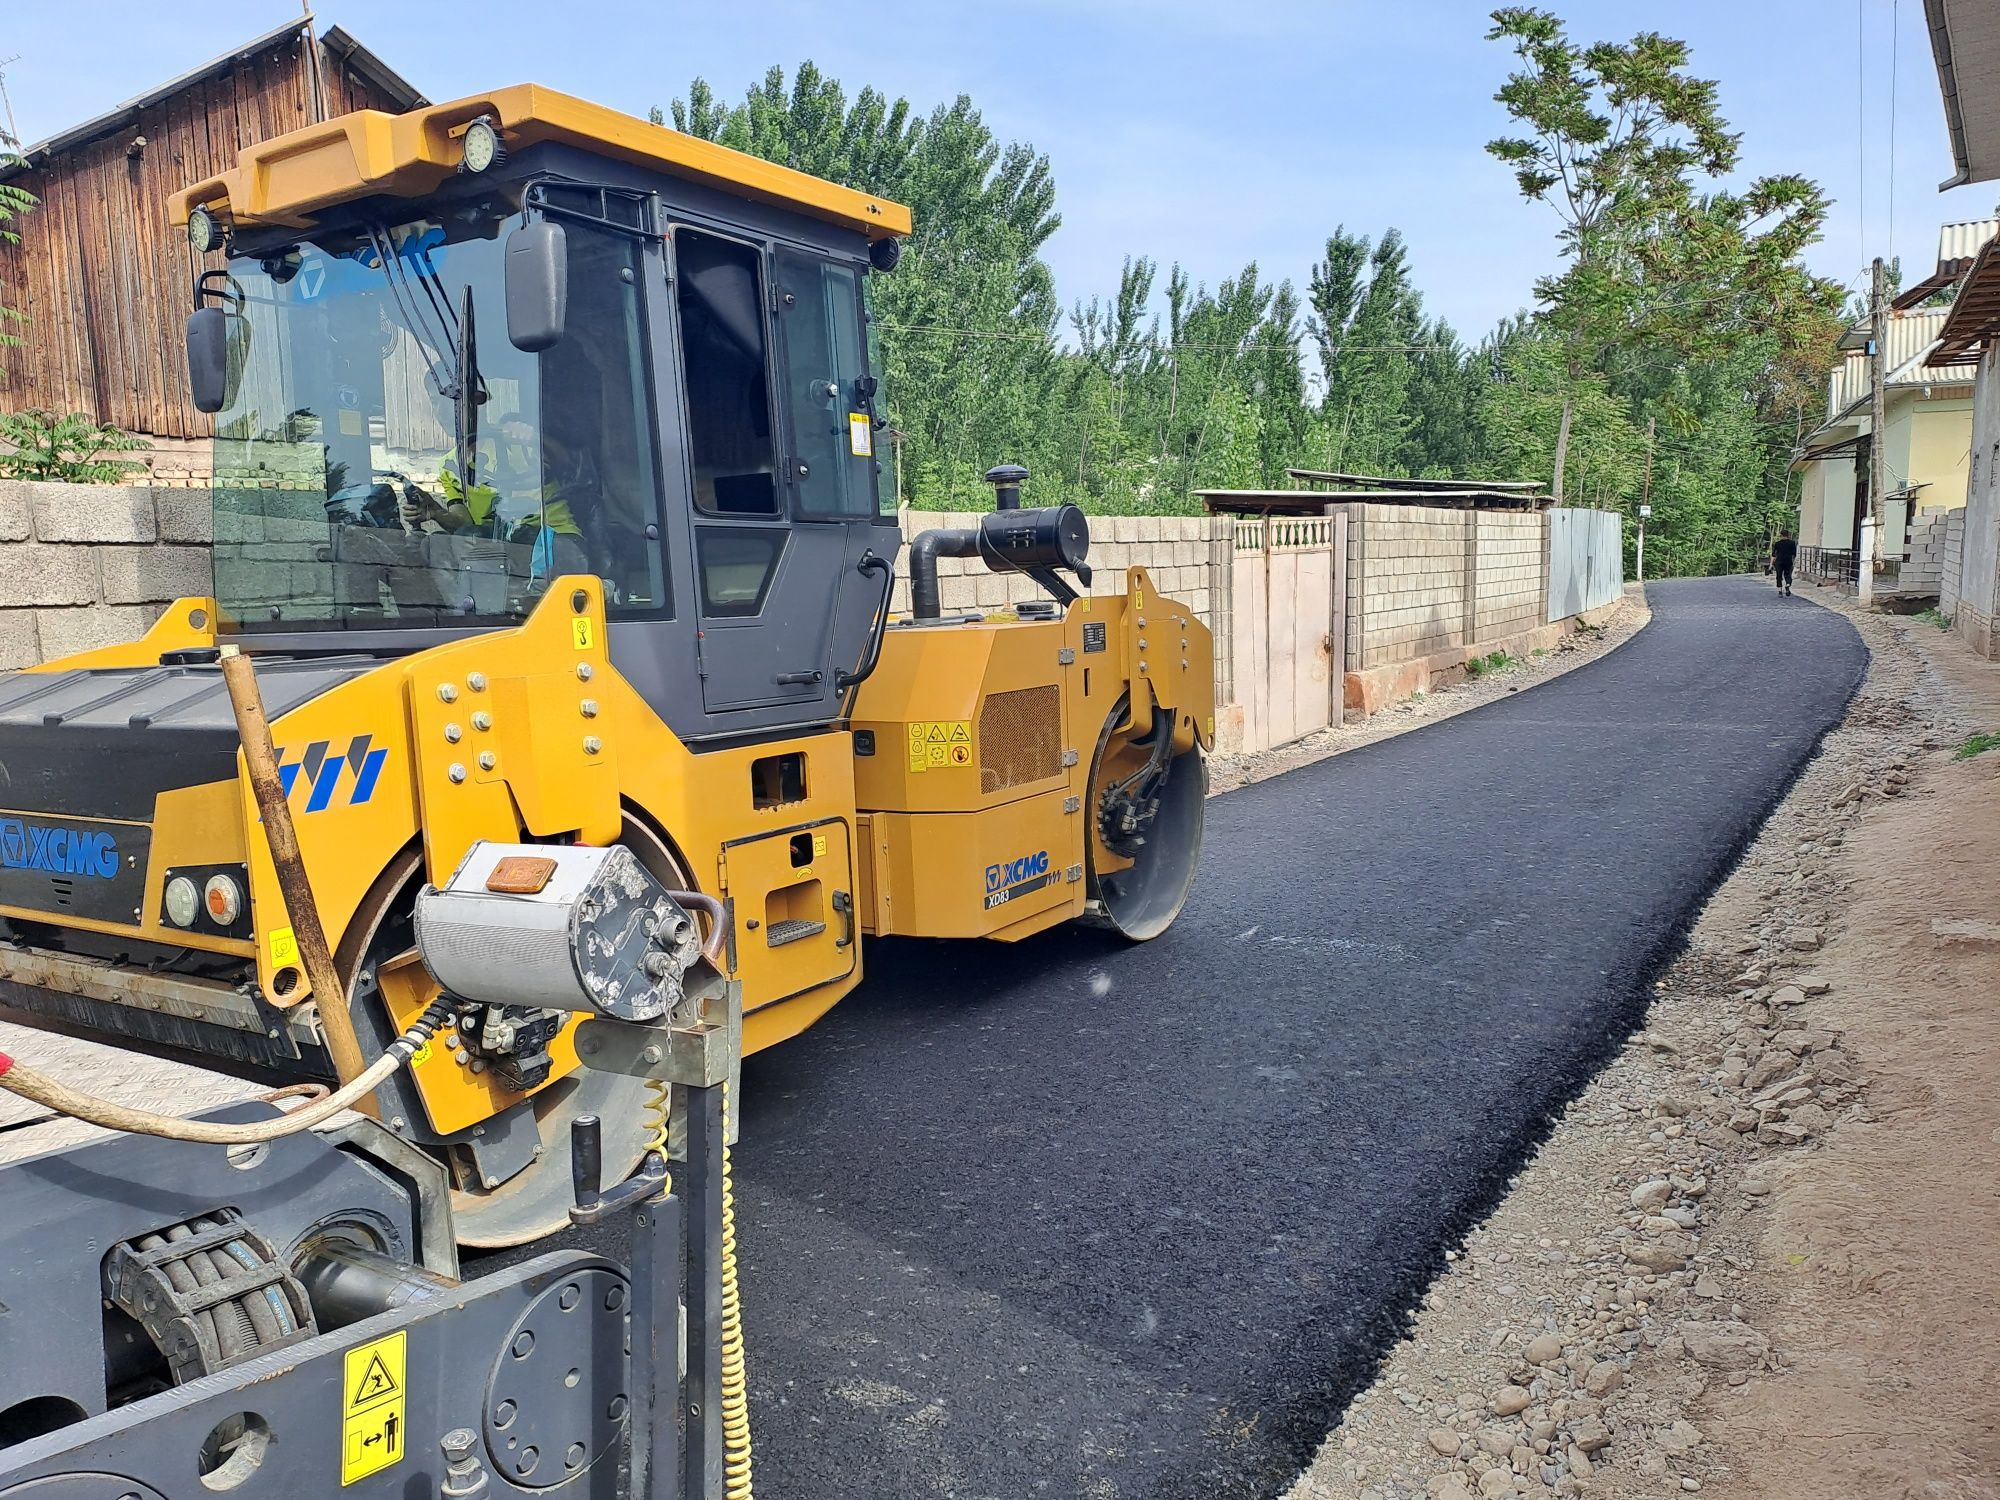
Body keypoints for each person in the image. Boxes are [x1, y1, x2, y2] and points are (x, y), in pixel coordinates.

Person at [1771, 531, 1798, 596]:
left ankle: (1780, 591)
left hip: (1779, 561)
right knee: (1788, 574)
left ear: (1781, 535)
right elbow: (1794, 553)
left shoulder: (1777, 543)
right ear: (1788, 535)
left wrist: (1771, 563)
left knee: (1779, 575)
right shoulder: (1792, 543)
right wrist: (1793, 562)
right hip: (1788, 561)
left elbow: (1774, 554)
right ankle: (1787, 584)